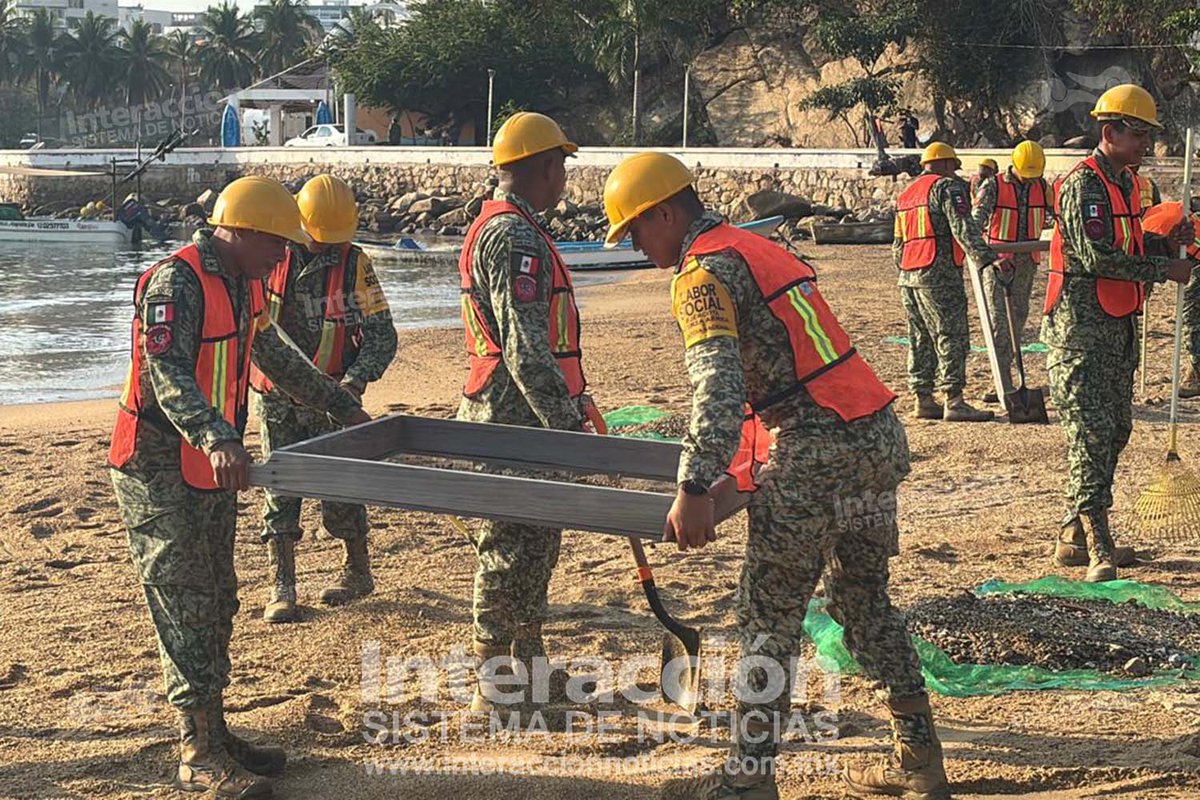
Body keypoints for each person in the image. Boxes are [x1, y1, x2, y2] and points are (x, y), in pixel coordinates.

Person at [602, 152, 951, 800]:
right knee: (863, 601)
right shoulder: (756, 247)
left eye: (636, 232)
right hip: (875, 442)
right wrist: (743, 469)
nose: (638, 248)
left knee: (767, 618)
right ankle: (922, 760)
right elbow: (788, 365)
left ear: (665, 213)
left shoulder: (701, 273)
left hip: (818, 452)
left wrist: (695, 485)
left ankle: (749, 779)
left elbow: (718, 387)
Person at [109, 176, 370, 797]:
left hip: (207, 464)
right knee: (185, 600)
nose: (284, 258)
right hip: (158, 466)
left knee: (220, 595)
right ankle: (197, 750)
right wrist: (216, 435)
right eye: (277, 246)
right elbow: (166, 372)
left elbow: (273, 356)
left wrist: (342, 405)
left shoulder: (242, 282)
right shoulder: (177, 282)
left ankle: (217, 731)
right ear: (244, 231)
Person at [457, 111, 599, 713]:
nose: (564, 177)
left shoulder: (511, 227)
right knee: (508, 542)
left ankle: (530, 665)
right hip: (511, 415)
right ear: (544, 167)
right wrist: (566, 427)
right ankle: (493, 680)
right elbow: (524, 347)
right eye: (561, 165)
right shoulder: (513, 236)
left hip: (526, 410)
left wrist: (576, 400)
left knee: (538, 539)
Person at [1042, 84, 1194, 582]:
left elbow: (1127, 238)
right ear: (1109, 133)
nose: (1145, 145)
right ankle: (1099, 547)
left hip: (1117, 325)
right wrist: (1161, 269)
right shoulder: (1081, 185)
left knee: (1115, 432)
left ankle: (1074, 534)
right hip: (1080, 330)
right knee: (1090, 435)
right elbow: (1094, 257)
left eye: (1148, 136)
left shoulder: (1128, 183)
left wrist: (1167, 240)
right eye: (1138, 135)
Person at [250, 174, 397, 623]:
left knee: (343, 490)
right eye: (320, 240)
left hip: (336, 396)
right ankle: (283, 585)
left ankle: (357, 570)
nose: (327, 248)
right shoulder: (270, 257)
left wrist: (354, 383)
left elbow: (381, 335)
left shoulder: (355, 264)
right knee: (281, 487)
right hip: (277, 398)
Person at [895, 142, 1007, 422]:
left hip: (909, 275)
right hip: (939, 274)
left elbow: (897, 244)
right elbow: (963, 228)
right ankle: (954, 400)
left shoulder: (907, 194)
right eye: (954, 167)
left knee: (919, 337)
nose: (956, 174)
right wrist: (987, 258)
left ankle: (923, 398)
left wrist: (907, 268)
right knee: (951, 335)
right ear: (945, 165)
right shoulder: (947, 188)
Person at [972, 141, 1052, 401]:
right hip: (999, 264)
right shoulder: (993, 186)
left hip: (1027, 263)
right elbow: (974, 226)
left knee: (1018, 318)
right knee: (999, 322)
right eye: (1025, 176)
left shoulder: (1041, 186)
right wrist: (991, 257)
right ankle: (1002, 380)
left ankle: (1013, 379)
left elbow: (1061, 216)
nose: (1029, 181)